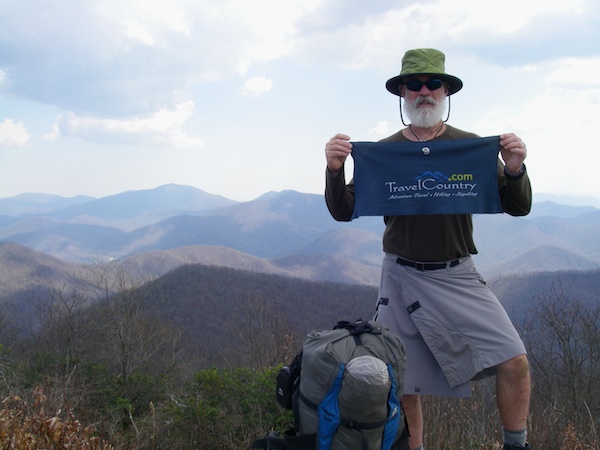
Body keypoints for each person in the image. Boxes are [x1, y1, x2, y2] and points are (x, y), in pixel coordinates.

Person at [324, 48, 532, 450]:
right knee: (402, 380)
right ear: (402, 91)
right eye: (415, 84)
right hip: (400, 274)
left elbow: (517, 205)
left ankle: (516, 444)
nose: (424, 91)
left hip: (458, 273)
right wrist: (335, 171)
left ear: (445, 91)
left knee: (514, 360)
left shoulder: (470, 148)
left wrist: (515, 168)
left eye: (433, 83)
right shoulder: (384, 153)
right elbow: (343, 210)